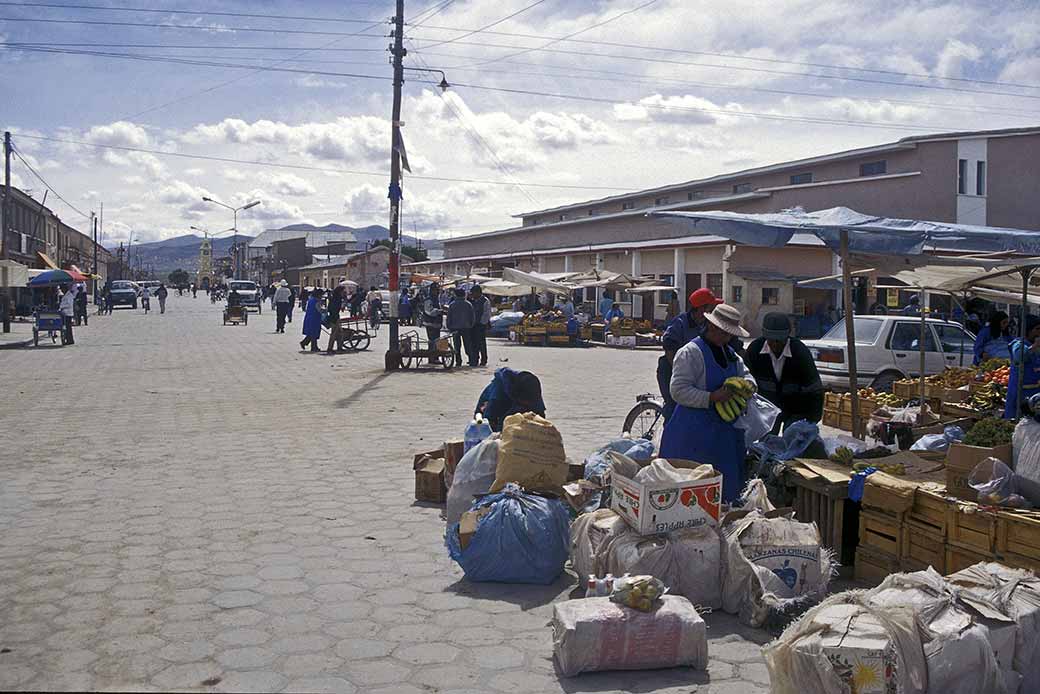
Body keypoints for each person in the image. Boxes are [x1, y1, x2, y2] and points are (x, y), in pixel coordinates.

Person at [660, 303, 755, 504]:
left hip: (724, 434)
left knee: (722, 494)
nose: (727, 338)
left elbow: (745, 374)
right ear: (712, 327)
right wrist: (711, 397)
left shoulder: (730, 354)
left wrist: (748, 385)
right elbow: (678, 390)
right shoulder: (690, 352)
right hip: (692, 432)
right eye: (724, 333)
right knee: (690, 492)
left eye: (730, 335)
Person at [745, 313, 824, 433]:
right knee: (767, 444)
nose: (776, 345)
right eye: (772, 340)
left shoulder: (800, 352)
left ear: (787, 336)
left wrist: (813, 418)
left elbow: (815, 389)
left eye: (780, 340)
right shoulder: (754, 350)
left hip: (796, 409)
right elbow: (746, 380)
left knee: (792, 440)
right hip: (767, 408)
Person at [657, 288, 728, 420]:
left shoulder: (708, 324)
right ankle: (669, 434)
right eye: (710, 307)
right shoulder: (680, 323)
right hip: (670, 369)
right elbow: (669, 349)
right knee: (675, 407)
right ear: (701, 308)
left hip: (695, 370)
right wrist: (680, 371)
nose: (713, 311)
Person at [475, 368, 546, 431]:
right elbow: (488, 421)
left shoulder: (533, 390)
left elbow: (540, 416)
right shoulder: (498, 395)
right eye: (526, 402)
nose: (528, 404)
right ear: (518, 396)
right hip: (487, 410)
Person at [1005, 316, 1040, 419]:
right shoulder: (1019, 344)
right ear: (1028, 330)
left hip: (1035, 393)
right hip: (1021, 394)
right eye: (1037, 329)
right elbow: (1020, 357)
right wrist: (1035, 346)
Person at [446, 287, 475, 367]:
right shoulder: (468, 304)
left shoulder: (452, 305)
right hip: (466, 328)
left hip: (455, 328)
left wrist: (449, 326)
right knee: (468, 345)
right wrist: (471, 325)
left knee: (457, 346)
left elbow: (449, 317)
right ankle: (471, 360)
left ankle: (458, 361)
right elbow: (472, 317)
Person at [469, 285, 491, 367]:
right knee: (473, 343)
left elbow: (487, 314)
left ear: (478, 292)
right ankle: (475, 359)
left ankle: (484, 359)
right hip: (473, 325)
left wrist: (481, 323)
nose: (473, 294)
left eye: (473, 293)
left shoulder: (485, 301)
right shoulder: (472, 300)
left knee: (481, 343)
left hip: (480, 325)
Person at [422, 283, 444, 364]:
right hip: (430, 324)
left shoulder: (436, 299)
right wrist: (439, 311)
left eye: (438, 290)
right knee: (432, 341)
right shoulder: (428, 299)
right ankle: (432, 358)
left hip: (437, 324)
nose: (437, 292)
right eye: (436, 290)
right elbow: (429, 311)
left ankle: (435, 357)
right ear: (432, 290)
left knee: (436, 341)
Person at [300, 287, 323, 352]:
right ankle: (314, 347)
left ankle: (304, 343)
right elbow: (319, 310)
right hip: (314, 318)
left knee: (311, 333)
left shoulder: (311, 299)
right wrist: (325, 311)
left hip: (309, 317)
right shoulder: (316, 301)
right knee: (314, 333)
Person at [326, 284, 346, 354]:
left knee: (340, 333)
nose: (344, 292)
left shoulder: (336, 298)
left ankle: (339, 347)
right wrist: (335, 318)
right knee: (334, 333)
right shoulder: (336, 299)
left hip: (335, 316)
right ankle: (329, 348)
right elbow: (333, 309)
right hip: (334, 317)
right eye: (343, 291)